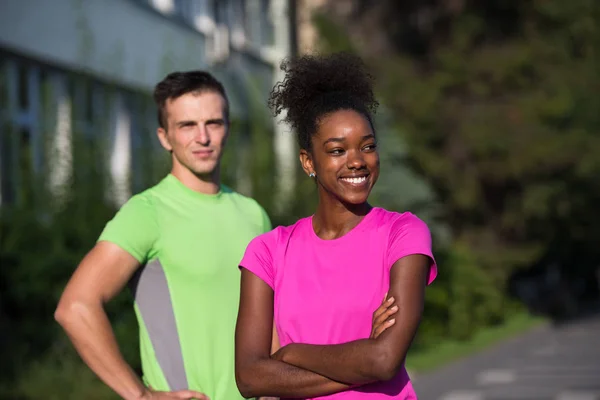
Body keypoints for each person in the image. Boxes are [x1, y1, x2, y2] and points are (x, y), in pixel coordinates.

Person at [55, 71, 272, 400]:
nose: (203, 137)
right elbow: (75, 307)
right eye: (187, 125)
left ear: (227, 127)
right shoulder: (146, 213)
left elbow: (271, 321)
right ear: (164, 137)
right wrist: (141, 395)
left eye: (213, 122)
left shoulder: (254, 215)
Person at [234, 53, 438, 399]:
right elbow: (251, 377)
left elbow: (385, 359)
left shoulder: (403, 234)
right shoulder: (268, 252)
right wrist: (363, 358)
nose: (357, 160)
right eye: (337, 150)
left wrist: (291, 354)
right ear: (308, 161)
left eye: (368, 146)